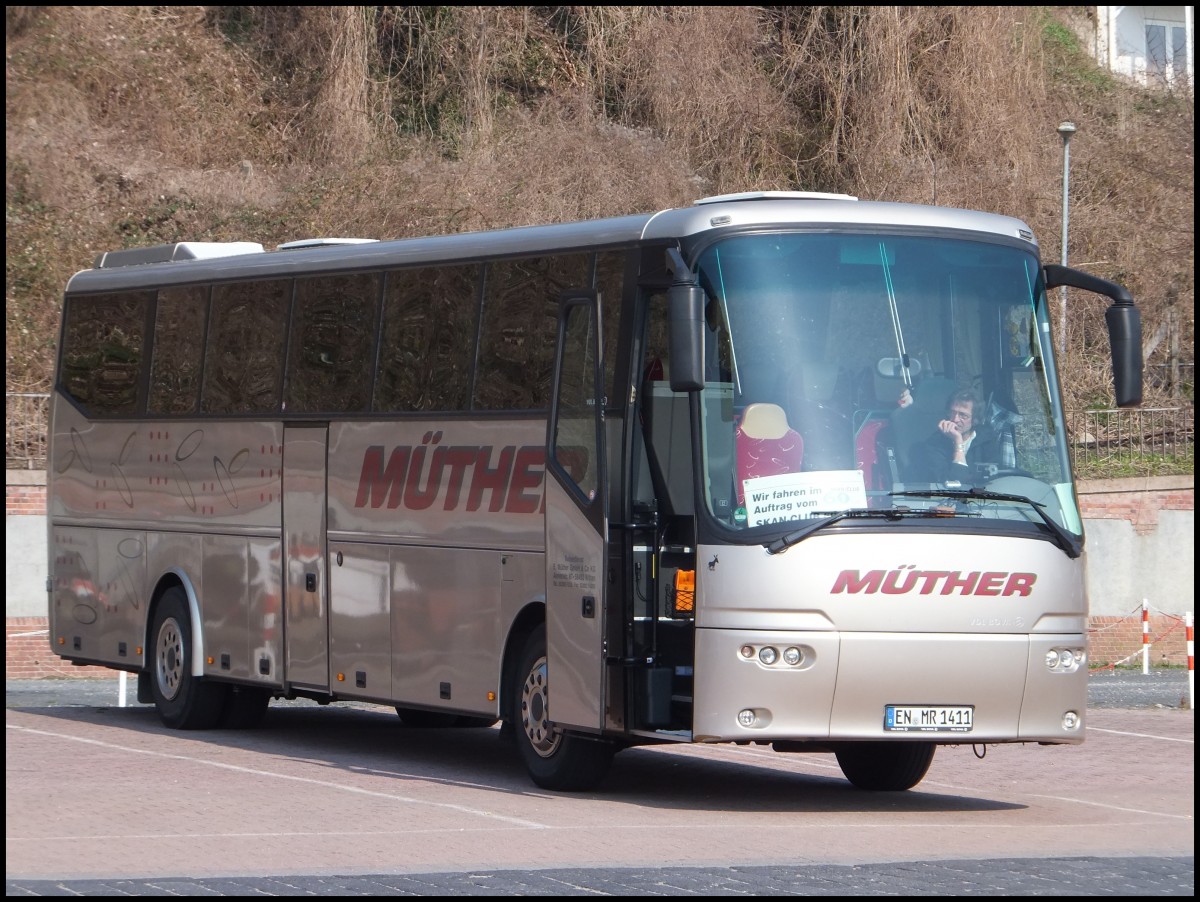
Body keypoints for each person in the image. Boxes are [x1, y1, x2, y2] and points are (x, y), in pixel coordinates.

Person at [909, 388, 1002, 486]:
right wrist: (958, 443)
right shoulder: (935, 443)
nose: (955, 419)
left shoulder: (987, 439)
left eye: (963, 415)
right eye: (952, 412)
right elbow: (951, 484)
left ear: (975, 419)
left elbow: (995, 479)